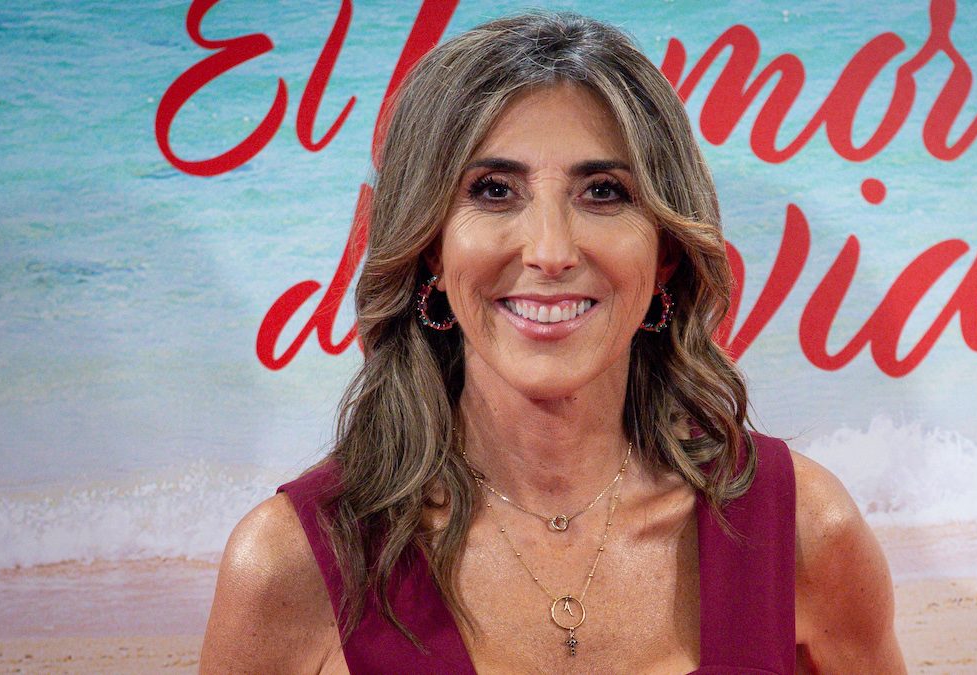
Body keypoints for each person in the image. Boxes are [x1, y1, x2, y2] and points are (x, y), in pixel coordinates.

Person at [200, 12, 905, 674]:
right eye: (493, 190)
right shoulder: (290, 561)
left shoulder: (803, 529)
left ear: (665, 251)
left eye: (602, 192)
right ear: (431, 248)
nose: (550, 251)